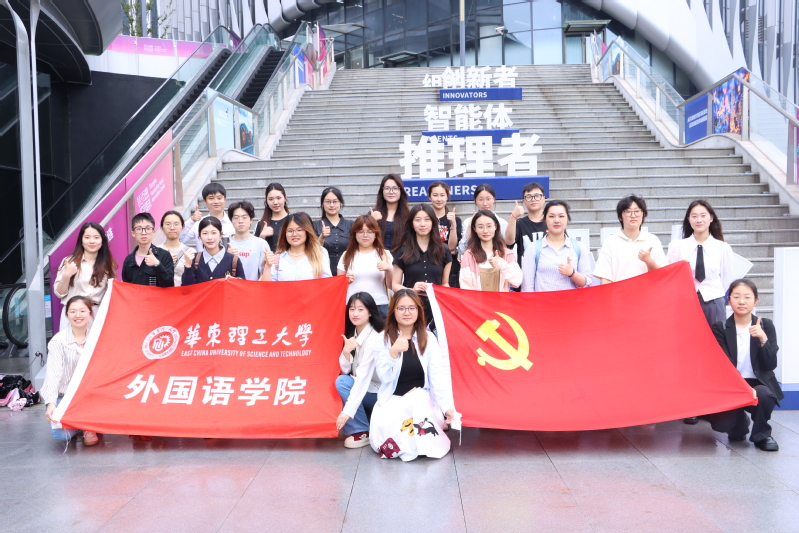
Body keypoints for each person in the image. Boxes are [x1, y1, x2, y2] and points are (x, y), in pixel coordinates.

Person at [369, 289, 457, 461]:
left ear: (418, 310)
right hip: (393, 403)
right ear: (393, 311)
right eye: (401, 308)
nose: (407, 313)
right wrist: (393, 353)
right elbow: (385, 378)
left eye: (412, 308)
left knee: (418, 398)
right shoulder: (382, 339)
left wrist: (447, 408)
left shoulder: (428, 338)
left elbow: (438, 377)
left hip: (422, 402)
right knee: (396, 439)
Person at [704, 279, 783, 451]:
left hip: (759, 382)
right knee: (722, 425)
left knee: (764, 394)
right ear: (728, 300)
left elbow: (770, 364)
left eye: (747, 297)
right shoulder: (720, 327)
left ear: (756, 300)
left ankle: (762, 434)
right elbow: (723, 364)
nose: (741, 301)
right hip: (732, 383)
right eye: (736, 297)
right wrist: (743, 388)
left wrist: (763, 339)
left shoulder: (766, 325)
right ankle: (740, 424)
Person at [42, 296, 100, 446]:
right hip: (65, 396)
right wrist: (51, 403)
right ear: (67, 315)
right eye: (73, 311)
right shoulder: (58, 341)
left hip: (89, 396)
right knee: (62, 435)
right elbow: (53, 375)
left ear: (90, 313)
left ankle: (87, 423)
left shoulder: (97, 338)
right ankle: (84, 424)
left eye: (82, 311)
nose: (77, 315)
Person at [667, 200, 734, 327]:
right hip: (685, 301)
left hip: (714, 300)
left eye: (703, 215)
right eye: (694, 216)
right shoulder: (677, 246)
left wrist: (713, 294)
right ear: (688, 219)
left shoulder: (722, 247)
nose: (699, 220)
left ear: (711, 218)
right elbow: (671, 276)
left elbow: (726, 278)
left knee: (716, 336)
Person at [336, 292, 385, 449]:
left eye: (360, 309)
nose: (355, 313)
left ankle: (361, 430)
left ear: (370, 312)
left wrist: (347, 412)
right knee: (343, 380)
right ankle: (364, 422)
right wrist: (346, 351)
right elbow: (345, 370)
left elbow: (363, 376)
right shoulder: (353, 334)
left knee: (343, 383)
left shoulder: (375, 338)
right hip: (367, 390)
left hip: (380, 394)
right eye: (352, 309)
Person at [392, 204, 452, 333]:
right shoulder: (403, 250)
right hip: (410, 307)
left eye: (427, 219)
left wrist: (445, 294)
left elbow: (445, 283)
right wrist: (411, 290)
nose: (422, 224)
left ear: (433, 222)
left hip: (436, 307)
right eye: (418, 220)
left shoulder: (444, 250)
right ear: (412, 224)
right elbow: (394, 284)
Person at [53, 222, 117, 330]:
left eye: (96, 237)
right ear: (81, 240)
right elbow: (59, 293)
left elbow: (112, 293)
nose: (92, 241)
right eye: (87, 237)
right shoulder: (70, 261)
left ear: (102, 241)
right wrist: (67, 275)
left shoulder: (108, 265)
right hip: (74, 315)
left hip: (97, 315)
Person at [520, 200, 594, 292]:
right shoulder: (533, 248)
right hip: (543, 301)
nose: (556, 220)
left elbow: (587, 282)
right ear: (545, 219)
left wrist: (572, 273)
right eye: (551, 216)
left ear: (568, 219)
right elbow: (527, 286)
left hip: (571, 301)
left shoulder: (579, 247)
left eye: (561, 216)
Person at [594, 195, 667, 283]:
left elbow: (662, 275)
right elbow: (605, 278)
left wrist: (649, 261)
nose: (633, 215)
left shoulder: (653, 240)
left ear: (643, 215)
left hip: (647, 291)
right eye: (628, 211)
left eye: (637, 211)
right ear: (620, 217)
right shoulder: (610, 242)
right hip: (619, 291)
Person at [338, 215, 393, 317]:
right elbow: (338, 285)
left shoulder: (384, 254)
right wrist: (345, 281)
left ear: (376, 234)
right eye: (360, 231)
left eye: (370, 231)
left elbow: (391, 285)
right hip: (353, 306)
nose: (365, 235)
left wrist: (389, 269)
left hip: (379, 304)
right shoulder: (346, 255)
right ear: (354, 234)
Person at [460, 210, 522, 291]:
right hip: (476, 299)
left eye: (489, 226)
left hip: (501, 299)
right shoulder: (469, 255)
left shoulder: (507, 254)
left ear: (495, 226)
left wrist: (501, 264)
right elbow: (465, 286)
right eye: (480, 227)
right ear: (474, 229)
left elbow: (517, 281)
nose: (485, 231)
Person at [262, 212, 332, 281]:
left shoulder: (319, 254)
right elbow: (268, 286)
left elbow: (327, 283)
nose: (294, 234)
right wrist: (267, 266)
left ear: (307, 231)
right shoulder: (278, 258)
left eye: (299, 230)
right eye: (290, 231)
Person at [181, 217, 246, 285]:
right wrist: (188, 266)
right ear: (199, 236)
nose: (210, 237)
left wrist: (235, 281)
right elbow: (186, 288)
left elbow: (243, 286)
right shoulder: (193, 259)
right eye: (205, 233)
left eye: (214, 233)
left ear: (221, 235)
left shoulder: (233, 260)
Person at [121, 212, 175, 287]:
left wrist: (157, 265)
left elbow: (169, 285)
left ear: (153, 232)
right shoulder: (129, 260)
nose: (143, 233)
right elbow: (126, 287)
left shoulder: (164, 255)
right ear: (133, 233)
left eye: (148, 228)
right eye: (139, 229)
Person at [428, 181, 462, 288]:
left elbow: (452, 247)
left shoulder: (455, 220)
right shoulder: (425, 220)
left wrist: (453, 224)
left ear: (447, 197)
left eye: (442, 195)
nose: (439, 199)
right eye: (435, 195)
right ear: (429, 197)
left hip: (451, 271)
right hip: (430, 269)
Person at [457, 184, 509, 256]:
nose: (485, 203)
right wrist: (470, 226)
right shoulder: (467, 222)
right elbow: (461, 250)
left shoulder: (502, 223)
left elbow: (508, 247)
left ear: (494, 199)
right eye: (481, 199)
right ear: (475, 201)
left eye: (488, 199)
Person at [180, 182, 234, 251]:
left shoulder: (233, 222)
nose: (216, 201)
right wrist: (192, 220)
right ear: (205, 201)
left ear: (225, 199)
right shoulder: (199, 223)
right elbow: (179, 239)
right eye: (211, 198)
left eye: (219, 198)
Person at [227, 201, 270, 282]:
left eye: (244, 217)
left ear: (251, 219)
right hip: (230, 288)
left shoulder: (261, 244)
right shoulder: (225, 243)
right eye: (236, 217)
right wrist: (226, 256)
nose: (240, 221)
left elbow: (265, 272)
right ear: (231, 220)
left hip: (252, 288)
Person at [505, 182, 547, 265]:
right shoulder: (519, 224)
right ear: (523, 201)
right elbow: (509, 242)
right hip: (525, 270)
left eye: (537, 196)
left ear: (543, 199)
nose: (533, 199)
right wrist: (513, 217)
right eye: (528, 197)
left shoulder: (551, 221)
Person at [313, 187, 353, 275]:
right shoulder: (315, 225)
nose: (331, 205)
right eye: (328, 202)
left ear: (341, 203)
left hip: (347, 273)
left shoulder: (351, 225)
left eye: (335, 201)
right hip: (323, 273)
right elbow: (311, 251)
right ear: (322, 204)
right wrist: (322, 237)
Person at [369, 173, 409, 252]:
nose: (391, 192)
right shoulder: (373, 214)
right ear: (382, 191)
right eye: (387, 188)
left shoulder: (409, 215)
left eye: (395, 188)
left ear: (401, 191)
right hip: (377, 257)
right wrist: (371, 222)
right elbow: (363, 239)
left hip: (401, 259)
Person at [157, 210, 195, 287]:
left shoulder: (190, 252)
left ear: (182, 227)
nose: (172, 228)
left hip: (182, 293)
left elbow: (194, 280)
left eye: (176, 224)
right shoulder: (155, 251)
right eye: (168, 224)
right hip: (161, 293)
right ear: (162, 228)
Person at [255, 183, 289, 252]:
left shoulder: (293, 220)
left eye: (278, 198)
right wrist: (262, 236)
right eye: (271, 199)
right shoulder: (261, 224)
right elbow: (254, 251)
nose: (275, 202)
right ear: (266, 200)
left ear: (285, 198)